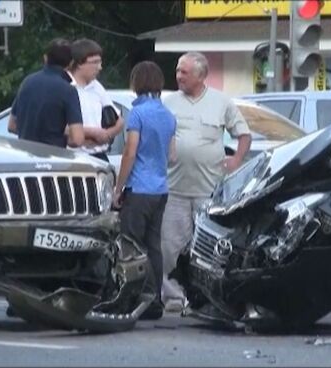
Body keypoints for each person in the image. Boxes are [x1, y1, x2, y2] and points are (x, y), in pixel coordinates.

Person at [160, 52, 251, 309]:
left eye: (184, 72)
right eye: (177, 71)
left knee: (208, 249)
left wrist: (236, 160)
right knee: (170, 246)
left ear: (201, 75)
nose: (178, 76)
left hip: (209, 192)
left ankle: (206, 298)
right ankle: (173, 297)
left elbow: (243, 135)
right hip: (175, 189)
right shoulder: (169, 103)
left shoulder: (221, 102)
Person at [113, 61, 176, 320]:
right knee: (153, 246)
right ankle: (155, 301)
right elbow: (172, 155)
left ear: (136, 83)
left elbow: (130, 151)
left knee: (131, 245)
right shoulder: (168, 115)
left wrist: (119, 188)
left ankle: (132, 298)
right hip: (161, 189)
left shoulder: (136, 114)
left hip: (139, 188)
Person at [7, 38, 84, 148]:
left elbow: (12, 126)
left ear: (45, 58)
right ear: (71, 63)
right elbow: (77, 139)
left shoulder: (27, 82)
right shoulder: (68, 90)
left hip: (26, 154)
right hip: (54, 156)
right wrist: (60, 138)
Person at [68, 38, 124, 162]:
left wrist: (107, 134)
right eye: (95, 62)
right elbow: (60, 126)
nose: (100, 67)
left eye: (100, 62)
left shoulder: (97, 87)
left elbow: (119, 121)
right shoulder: (65, 87)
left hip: (99, 156)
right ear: (79, 63)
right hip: (74, 157)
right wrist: (91, 133)